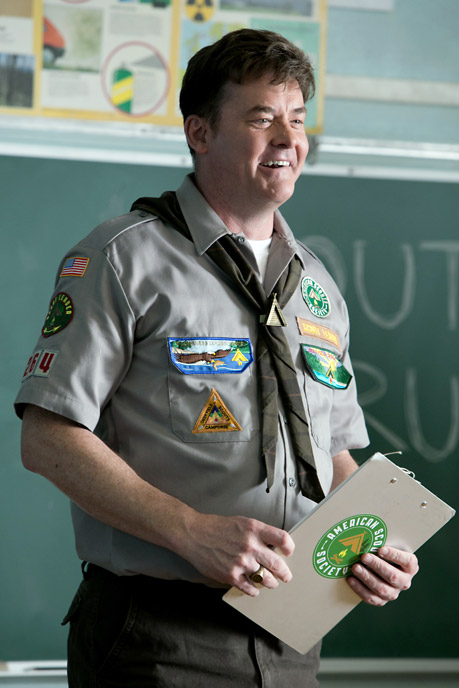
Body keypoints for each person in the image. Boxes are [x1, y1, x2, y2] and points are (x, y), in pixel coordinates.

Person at [15, 29, 418, 688]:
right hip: (156, 637)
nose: (287, 139)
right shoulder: (122, 258)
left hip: (292, 633)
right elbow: (47, 438)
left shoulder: (315, 287)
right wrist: (189, 530)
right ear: (199, 133)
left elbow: (334, 454)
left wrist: (374, 544)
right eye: (261, 119)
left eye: (296, 120)